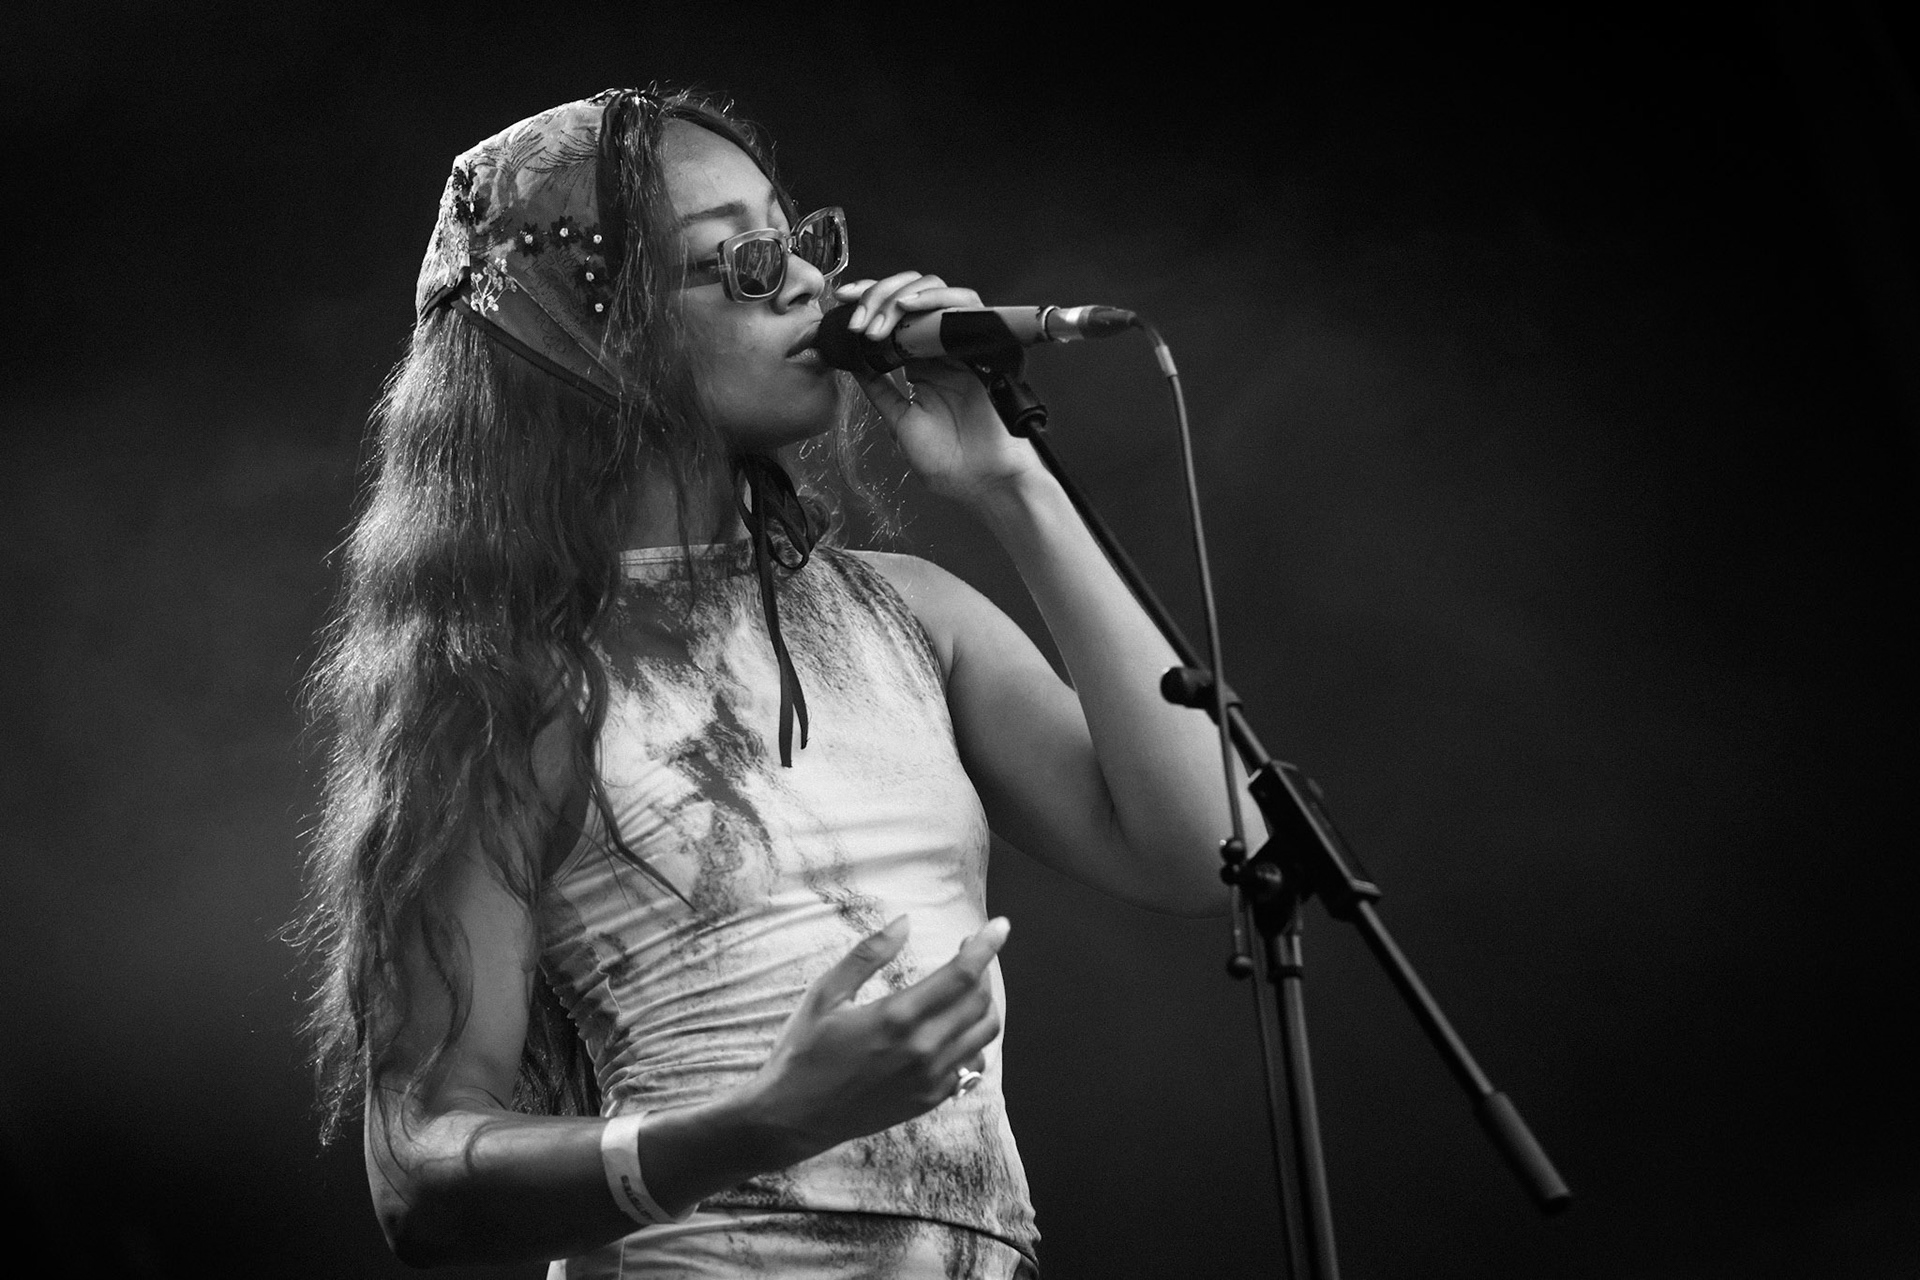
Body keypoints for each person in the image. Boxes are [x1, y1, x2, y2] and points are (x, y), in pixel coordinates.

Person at [299, 85, 1240, 1279]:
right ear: (592, 332)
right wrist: (760, 1122)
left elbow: (1211, 850)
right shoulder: (508, 690)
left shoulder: (909, 613)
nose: (804, 281)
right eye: (736, 262)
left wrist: (1015, 486)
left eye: (796, 240)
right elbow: (420, 1171)